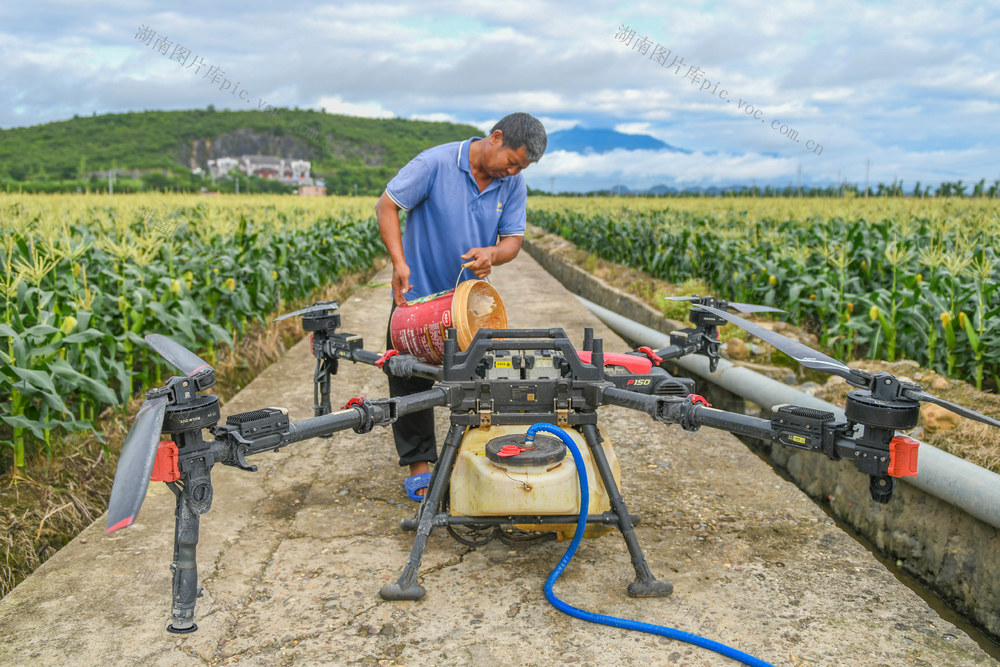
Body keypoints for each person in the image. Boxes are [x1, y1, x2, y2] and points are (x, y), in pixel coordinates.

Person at [375, 112, 547, 500]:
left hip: (471, 304)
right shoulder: (435, 164)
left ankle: (470, 458)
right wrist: (399, 263)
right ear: (496, 137)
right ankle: (420, 466)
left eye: (520, 168)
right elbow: (386, 206)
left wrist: (492, 254)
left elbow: (512, 242)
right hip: (417, 297)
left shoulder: (513, 183)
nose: (512, 172)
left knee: (478, 380)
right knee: (408, 379)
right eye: (512, 162)